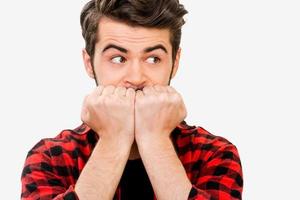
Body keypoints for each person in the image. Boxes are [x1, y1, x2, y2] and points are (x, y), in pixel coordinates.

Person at [21, 0, 243, 199]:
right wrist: (113, 139)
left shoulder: (214, 153)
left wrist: (155, 140)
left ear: (175, 63)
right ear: (89, 63)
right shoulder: (50, 157)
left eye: (154, 59)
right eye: (118, 58)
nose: (136, 78)